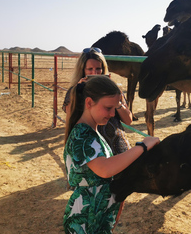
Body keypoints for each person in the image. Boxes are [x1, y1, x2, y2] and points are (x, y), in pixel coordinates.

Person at [63, 75, 160, 233]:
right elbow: (105, 169)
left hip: (96, 213)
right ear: (89, 103)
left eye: (115, 108)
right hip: (85, 218)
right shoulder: (82, 135)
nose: (113, 114)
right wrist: (142, 146)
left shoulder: (91, 131)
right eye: (108, 108)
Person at [63, 47, 133, 154]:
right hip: (92, 147)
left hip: (117, 146)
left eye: (98, 69)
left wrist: (115, 101)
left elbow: (128, 120)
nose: (95, 73)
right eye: (90, 69)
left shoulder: (113, 89)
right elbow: (71, 121)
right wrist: (78, 92)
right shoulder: (75, 91)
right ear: (82, 70)